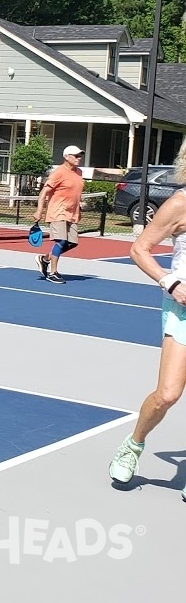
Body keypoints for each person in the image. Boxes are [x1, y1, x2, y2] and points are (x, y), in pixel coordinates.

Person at [107, 143, 186, 500]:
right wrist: (171, 282)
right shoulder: (180, 203)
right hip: (183, 309)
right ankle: (134, 444)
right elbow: (139, 248)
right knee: (167, 395)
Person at [33, 145, 86, 284]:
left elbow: (76, 193)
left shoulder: (79, 172)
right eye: (76, 156)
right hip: (58, 211)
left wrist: (79, 209)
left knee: (71, 243)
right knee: (61, 241)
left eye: (80, 156)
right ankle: (53, 273)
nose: (78, 158)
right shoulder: (58, 173)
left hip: (72, 213)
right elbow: (44, 192)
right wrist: (39, 210)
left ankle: (44, 259)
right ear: (66, 157)